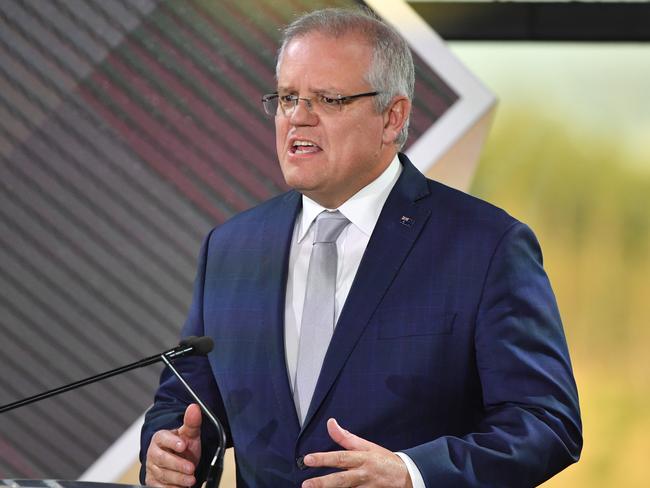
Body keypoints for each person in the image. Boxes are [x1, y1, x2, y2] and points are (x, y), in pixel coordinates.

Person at [140, 7, 582, 487]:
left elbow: (545, 422)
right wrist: (170, 449)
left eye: (327, 100)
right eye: (287, 98)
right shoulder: (231, 247)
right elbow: (184, 401)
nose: (298, 119)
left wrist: (412, 475)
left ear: (393, 118)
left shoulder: (487, 246)